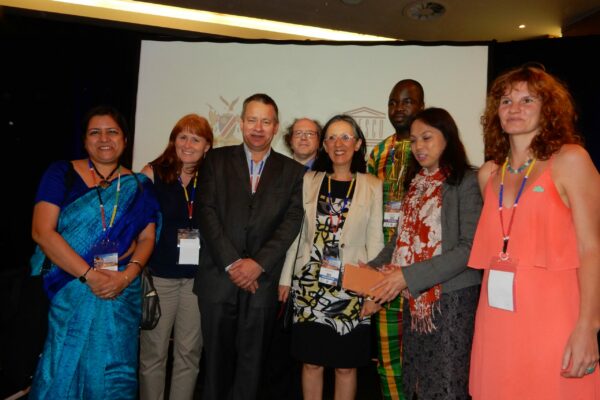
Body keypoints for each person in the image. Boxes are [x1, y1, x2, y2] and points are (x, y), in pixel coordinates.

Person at [468, 65, 600, 399]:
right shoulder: (488, 175)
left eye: (528, 99)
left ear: (548, 109)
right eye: (506, 100)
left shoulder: (571, 160)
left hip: (554, 316)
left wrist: (589, 326)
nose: (514, 108)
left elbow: (591, 248)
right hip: (497, 319)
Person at [28, 105, 160, 399]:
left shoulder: (139, 186)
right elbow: (42, 232)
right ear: (85, 140)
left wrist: (126, 278)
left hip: (120, 292)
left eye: (112, 132)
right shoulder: (61, 173)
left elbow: (147, 237)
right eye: (95, 132)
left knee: (116, 371)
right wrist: (90, 276)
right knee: (63, 364)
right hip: (70, 286)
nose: (104, 139)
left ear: (125, 140)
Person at [194, 93, 305, 400]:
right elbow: (206, 212)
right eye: (252, 120)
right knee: (214, 366)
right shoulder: (215, 160)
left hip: (263, 281)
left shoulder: (293, 171)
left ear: (275, 126)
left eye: (266, 121)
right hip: (218, 278)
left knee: (251, 365)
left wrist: (258, 263)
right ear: (241, 123)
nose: (258, 127)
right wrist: (233, 263)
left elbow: (291, 222)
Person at [368, 107, 482, 399]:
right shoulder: (416, 183)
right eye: (415, 140)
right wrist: (373, 268)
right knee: (418, 382)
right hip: (417, 300)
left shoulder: (466, 182)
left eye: (427, 138)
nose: (419, 146)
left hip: (452, 302)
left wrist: (407, 276)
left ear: (448, 138)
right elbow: (400, 239)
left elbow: (469, 249)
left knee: (447, 385)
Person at [279, 114, 384, 400]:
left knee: (346, 366)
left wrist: (374, 292)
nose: (339, 144)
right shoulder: (309, 180)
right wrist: (286, 277)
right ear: (324, 145)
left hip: (353, 286)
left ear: (358, 143)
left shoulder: (373, 185)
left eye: (346, 137)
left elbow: (375, 243)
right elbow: (296, 235)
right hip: (310, 283)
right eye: (332, 138)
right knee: (311, 362)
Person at [139, 114, 213, 400]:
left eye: (196, 138)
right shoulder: (152, 173)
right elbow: (136, 224)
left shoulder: (212, 177)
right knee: (154, 353)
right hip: (160, 277)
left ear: (207, 145)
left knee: (189, 353)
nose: (188, 144)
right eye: (182, 136)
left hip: (198, 281)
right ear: (173, 140)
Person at [366, 79, 425, 400]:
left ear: (421, 107)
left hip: (422, 275)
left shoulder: (429, 150)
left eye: (407, 101)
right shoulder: (379, 151)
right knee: (388, 359)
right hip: (385, 270)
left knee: (422, 357)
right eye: (392, 102)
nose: (398, 108)